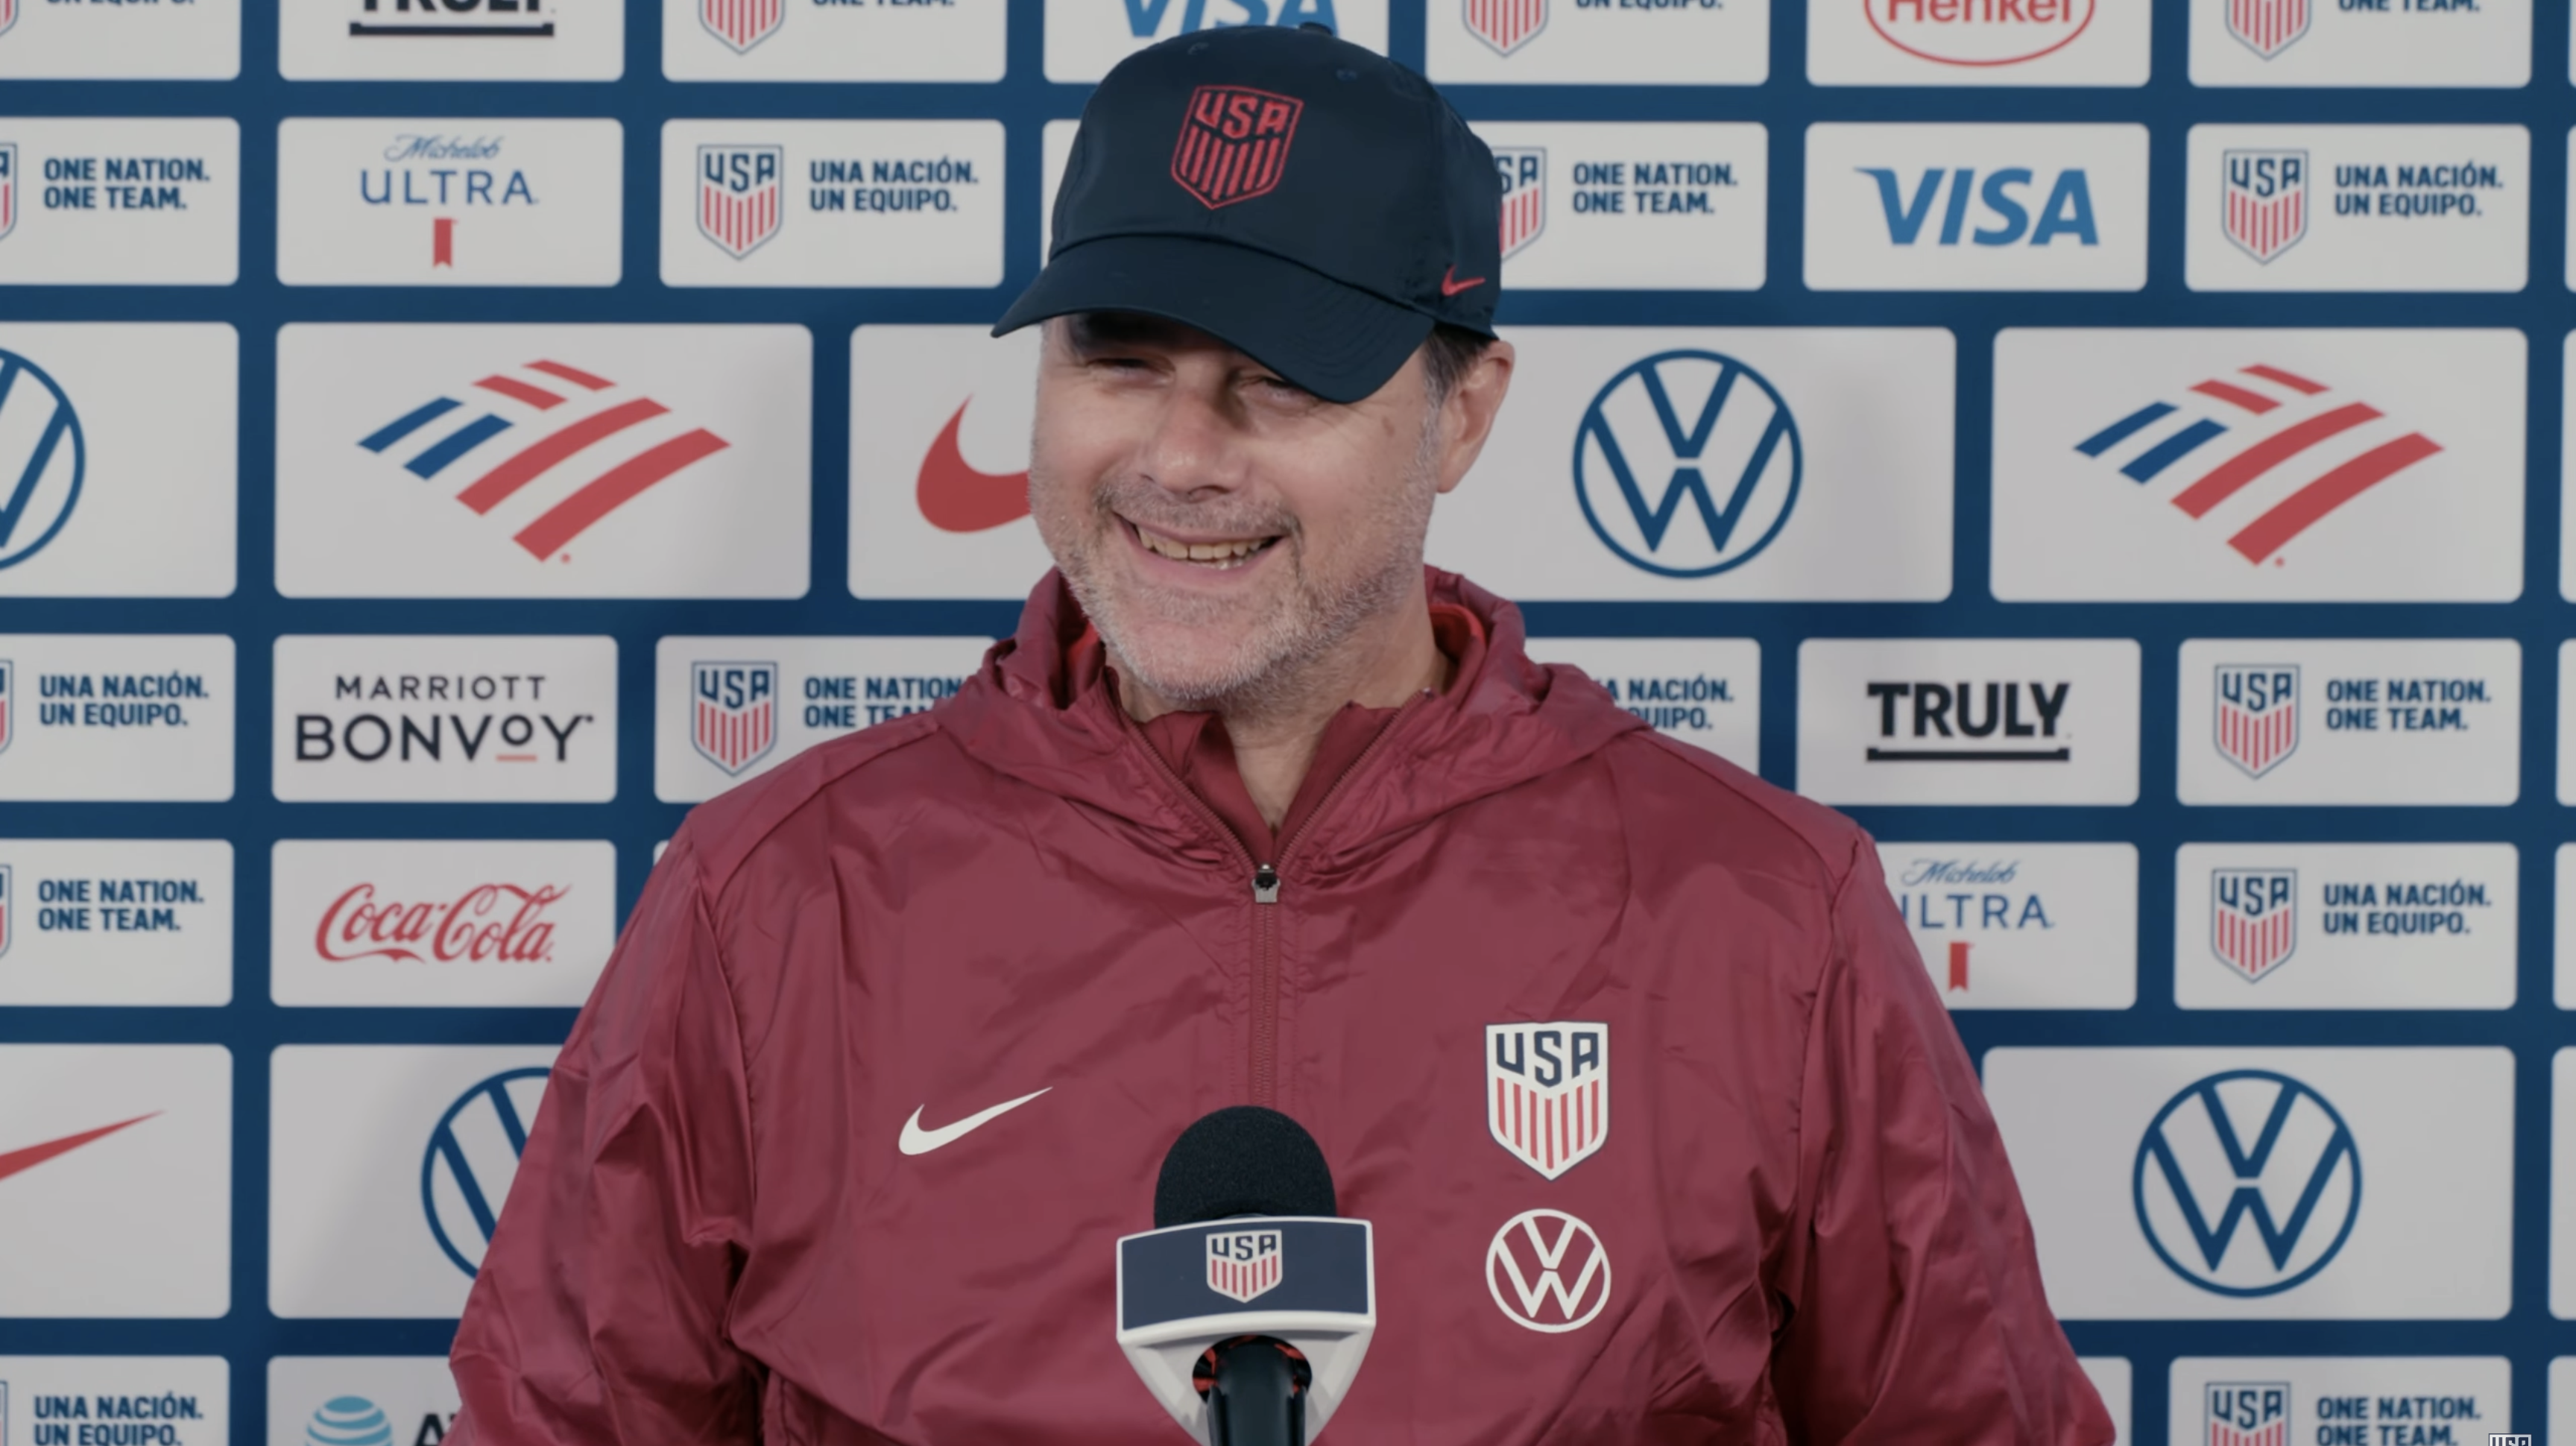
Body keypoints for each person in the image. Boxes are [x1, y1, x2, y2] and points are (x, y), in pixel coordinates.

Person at [449, 24, 2113, 1445]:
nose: (1182, 456)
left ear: (1462, 414)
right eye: (1120, 359)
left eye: (1282, 379)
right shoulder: (772, 894)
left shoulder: (1764, 911)